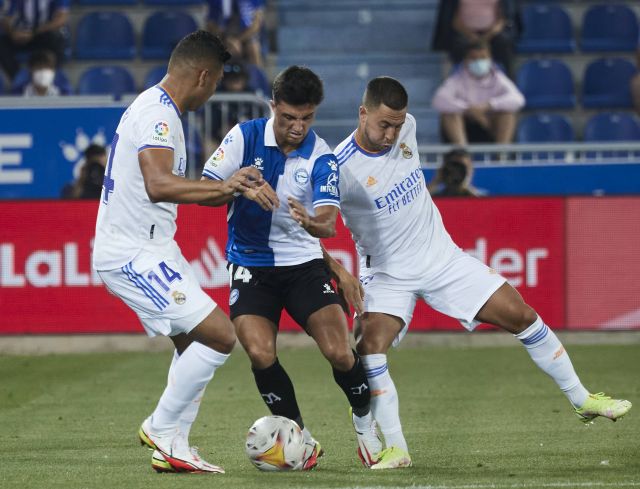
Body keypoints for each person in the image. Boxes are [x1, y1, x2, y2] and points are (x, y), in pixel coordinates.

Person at [326, 76, 632, 470]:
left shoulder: (409, 128)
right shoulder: (340, 167)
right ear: (362, 113)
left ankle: (581, 398)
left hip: (442, 258)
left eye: (397, 125)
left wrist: (401, 130)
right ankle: (395, 447)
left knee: (522, 314)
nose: (391, 133)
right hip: (387, 273)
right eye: (384, 124)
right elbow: (319, 224)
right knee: (369, 348)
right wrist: (339, 272)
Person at [92, 30, 267, 474]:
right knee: (221, 335)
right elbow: (158, 184)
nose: (212, 93)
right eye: (215, 83)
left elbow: (175, 187)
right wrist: (224, 188)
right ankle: (161, 428)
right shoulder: (158, 115)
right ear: (204, 76)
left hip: (155, 248)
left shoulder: (159, 107)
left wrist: (229, 186)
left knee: (192, 340)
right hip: (132, 253)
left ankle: (174, 443)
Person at [201, 65, 382, 469]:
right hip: (251, 267)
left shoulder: (321, 156)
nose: (297, 127)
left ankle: (365, 422)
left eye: (306, 118)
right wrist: (236, 184)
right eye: (288, 118)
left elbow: (329, 222)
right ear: (273, 107)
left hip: (304, 266)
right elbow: (206, 190)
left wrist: (312, 222)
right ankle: (300, 439)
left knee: (339, 351)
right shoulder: (243, 137)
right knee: (260, 352)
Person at [432, 41, 524, 145]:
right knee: (449, 115)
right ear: (466, 61)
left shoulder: (498, 78)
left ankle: (501, 156)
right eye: (474, 58)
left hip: (489, 124)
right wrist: (468, 109)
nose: (479, 62)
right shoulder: (456, 79)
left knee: (507, 115)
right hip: (466, 125)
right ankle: (463, 154)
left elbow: (518, 99)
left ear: (490, 59)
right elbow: (439, 100)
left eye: (483, 58)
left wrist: (489, 105)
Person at [431, 0, 520, 77]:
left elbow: (504, 17)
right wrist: (471, 35)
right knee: (457, 44)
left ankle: (510, 84)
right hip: (464, 32)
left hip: (493, 33)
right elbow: (452, 17)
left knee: (505, 43)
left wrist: (488, 35)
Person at [0, 0, 70, 81]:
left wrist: (34, 32)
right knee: (2, 44)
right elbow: (5, 18)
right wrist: (13, 32)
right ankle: (19, 81)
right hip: (20, 33)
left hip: (44, 32)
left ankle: (51, 81)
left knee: (58, 40)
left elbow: (61, 19)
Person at [206, 0, 265, 68]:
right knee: (230, 50)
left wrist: (238, 40)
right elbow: (211, 24)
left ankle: (257, 76)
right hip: (224, 36)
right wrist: (226, 39)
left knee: (253, 48)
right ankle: (228, 76)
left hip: (246, 35)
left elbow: (256, 25)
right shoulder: (216, 2)